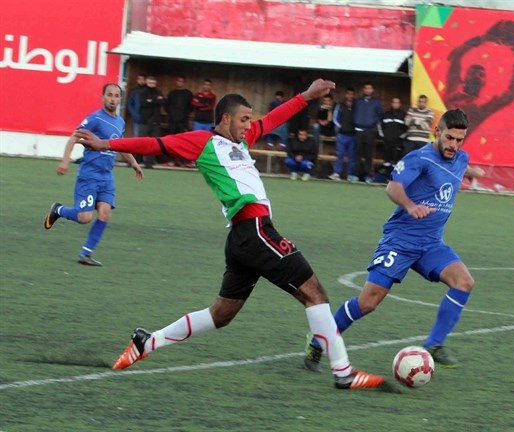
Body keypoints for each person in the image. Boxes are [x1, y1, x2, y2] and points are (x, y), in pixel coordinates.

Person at [73, 78, 390, 391]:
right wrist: (105, 145)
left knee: (221, 314)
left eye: (249, 120)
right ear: (225, 119)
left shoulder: (243, 139)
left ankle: (147, 342)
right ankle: (343, 372)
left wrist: (306, 95)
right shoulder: (203, 142)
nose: (248, 126)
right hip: (254, 229)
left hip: (242, 238)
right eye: (242, 119)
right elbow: (155, 144)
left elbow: (273, 119)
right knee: (315, 294)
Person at [304, 109, 485, 372]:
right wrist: (411, 206)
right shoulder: (419, 159)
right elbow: (393, 187)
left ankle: (434, 344)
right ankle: (318, 343)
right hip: (399, 242)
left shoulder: (460, 158)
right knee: (368, 302)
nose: (453, 145)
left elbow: (460, 167)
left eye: (459, 140)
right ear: (437, 132)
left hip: (431, 244)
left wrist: (473, 172)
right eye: (449, 138)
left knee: (464, 282)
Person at [43, 84, 144, 266]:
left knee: (105, 214)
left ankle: (85, 254)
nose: (113, 99)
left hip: (107, 176)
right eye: (109, 95)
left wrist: (134, 163)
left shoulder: (120, 122)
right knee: (85, 218)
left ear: (120, 99)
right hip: (89, 175)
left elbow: (119, 145)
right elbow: (74, 137)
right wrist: (65, 160)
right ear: (102, 97)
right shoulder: (95, 119)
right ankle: (57, 210)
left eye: (116, 96)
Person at [351, 82, 383, 183]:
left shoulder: (376, 102)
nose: (368, 90)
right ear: (363, 90)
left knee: (369, 155)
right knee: (358, 154)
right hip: (359, 130)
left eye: (370, 88)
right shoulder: (358, 101)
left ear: (372, 90)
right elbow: (353, 113)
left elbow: (379, 115)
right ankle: (356, 175)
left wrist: (373, 124)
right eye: (366, 88)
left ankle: (368, 176)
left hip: (370, 131)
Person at [164, 75, 195, 167]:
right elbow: (166, 106)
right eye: (178, 81)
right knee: (171, 141)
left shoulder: (188, 93)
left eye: (182, 81)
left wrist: (184, 114)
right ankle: (171, 160)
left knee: (183, 142)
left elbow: (191, 107)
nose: (180, 83)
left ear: (184, 82)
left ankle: (184, 161)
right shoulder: (172, 93)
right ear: (176, 82)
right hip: (172, 121)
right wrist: (171, 114)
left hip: (183, 122)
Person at [137, 75, 165, 168]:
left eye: (153, 83)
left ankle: (149, 162)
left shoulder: (159, 91)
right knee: (140, 141)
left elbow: (163, 101)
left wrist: (151, 101)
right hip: (145, 120)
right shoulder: (142, 92)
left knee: (154, 142)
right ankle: (135, 160)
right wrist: (155, 101)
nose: (152, 85)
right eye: (150, 83)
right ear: (146, 82)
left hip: (155, 121)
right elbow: (143, 103)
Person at [328, 88, 356, 181]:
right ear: (346, 95)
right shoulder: (340, 105)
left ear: (354, 95)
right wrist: (341, 127)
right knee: (340, 154)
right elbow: (335, 118)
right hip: (342, 134)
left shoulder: (357, 106)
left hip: (353, 135)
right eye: (348, 94)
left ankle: (350, 174)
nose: (350, 96)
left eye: (352, 94)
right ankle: (337, 173)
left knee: (352, 156)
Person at [377, 97, 407, 181]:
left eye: (397, 102)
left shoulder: (403, 115)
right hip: (387, 141)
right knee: (386, 161)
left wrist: (401, 136)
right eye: (394, 102)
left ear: (399, 104)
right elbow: (380, 125)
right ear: (392, 103)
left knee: (395, 161)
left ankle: (393, 179)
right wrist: (383, 136)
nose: (395, 104)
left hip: (397, 142)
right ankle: (385, 179)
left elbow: (407, 128)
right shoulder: (386, 114)